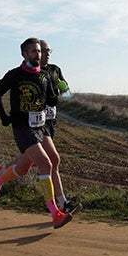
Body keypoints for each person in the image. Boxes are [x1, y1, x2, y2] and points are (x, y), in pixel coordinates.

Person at [0, 37, 72, 229]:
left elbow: (52, 99)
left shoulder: (45, 75)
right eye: (33, 51)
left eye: (39, 51)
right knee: (46, 163)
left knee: (24, 168)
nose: (38, 54)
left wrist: (59, 91)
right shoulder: (15, 75)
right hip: (22, 128)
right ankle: (55, 212)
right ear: (24, 54)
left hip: (40, 127)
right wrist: (4, 117)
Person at [39, 39, 80, 215]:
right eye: (43, 50)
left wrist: (63, 91)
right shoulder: (31, 72)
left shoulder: (55, 70)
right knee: (54, 160)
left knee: (28, 163)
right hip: (37, 124)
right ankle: (62, 203)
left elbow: (67, 95)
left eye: (49, 50)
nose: (47, 53)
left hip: (51, 122)